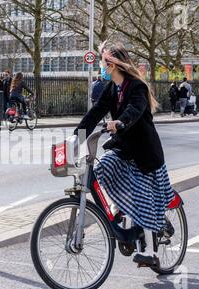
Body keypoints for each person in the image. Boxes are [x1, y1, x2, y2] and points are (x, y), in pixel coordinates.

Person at [74, 42, 175, 268]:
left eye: (103, 62)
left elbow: (135, 110)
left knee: (141, 196)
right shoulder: (112, 88)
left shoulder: (136, 86)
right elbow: (96, 112)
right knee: (102, 168)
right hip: (123, 149)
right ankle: (120, 207)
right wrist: (77, 136)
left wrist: (120, 122)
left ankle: (151, 252)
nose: (101, 66)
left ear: (111, 64)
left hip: (143, 154)